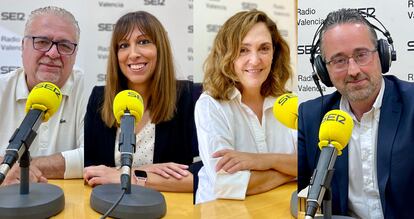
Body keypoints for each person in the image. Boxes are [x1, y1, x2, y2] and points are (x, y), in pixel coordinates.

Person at [298, 8, 414, 218]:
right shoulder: (310, 117)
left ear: (382, 54)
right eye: (339, 60)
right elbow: (297, 191)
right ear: (323, 71)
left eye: (361, 55)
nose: (353, 70)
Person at [83, 11, 197, 192]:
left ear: (160, 47)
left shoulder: (189, 96)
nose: (133, 54)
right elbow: (92, 172)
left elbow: (203, 174)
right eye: (124, 45)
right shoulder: (99, 98)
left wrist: (131, 175)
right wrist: (142, 170)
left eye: (143, 42)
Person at [195, 10, 297, 204]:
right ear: (227, 55)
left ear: (274, 53)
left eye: (264, 48)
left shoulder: (288, 102)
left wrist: (265, 160)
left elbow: (313, 162)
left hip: (276, 207)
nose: (255, 60)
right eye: (243, 49)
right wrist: (290, 171)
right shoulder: (211, 105)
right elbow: (227, 183)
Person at [0, 6, 85, 185]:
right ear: (23, 46)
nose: (53, 53)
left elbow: (93, 155)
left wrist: (22, 168)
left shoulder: (88, 90)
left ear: (75, 54)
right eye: (42, 41)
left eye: (64, 45)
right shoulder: (2, 88)